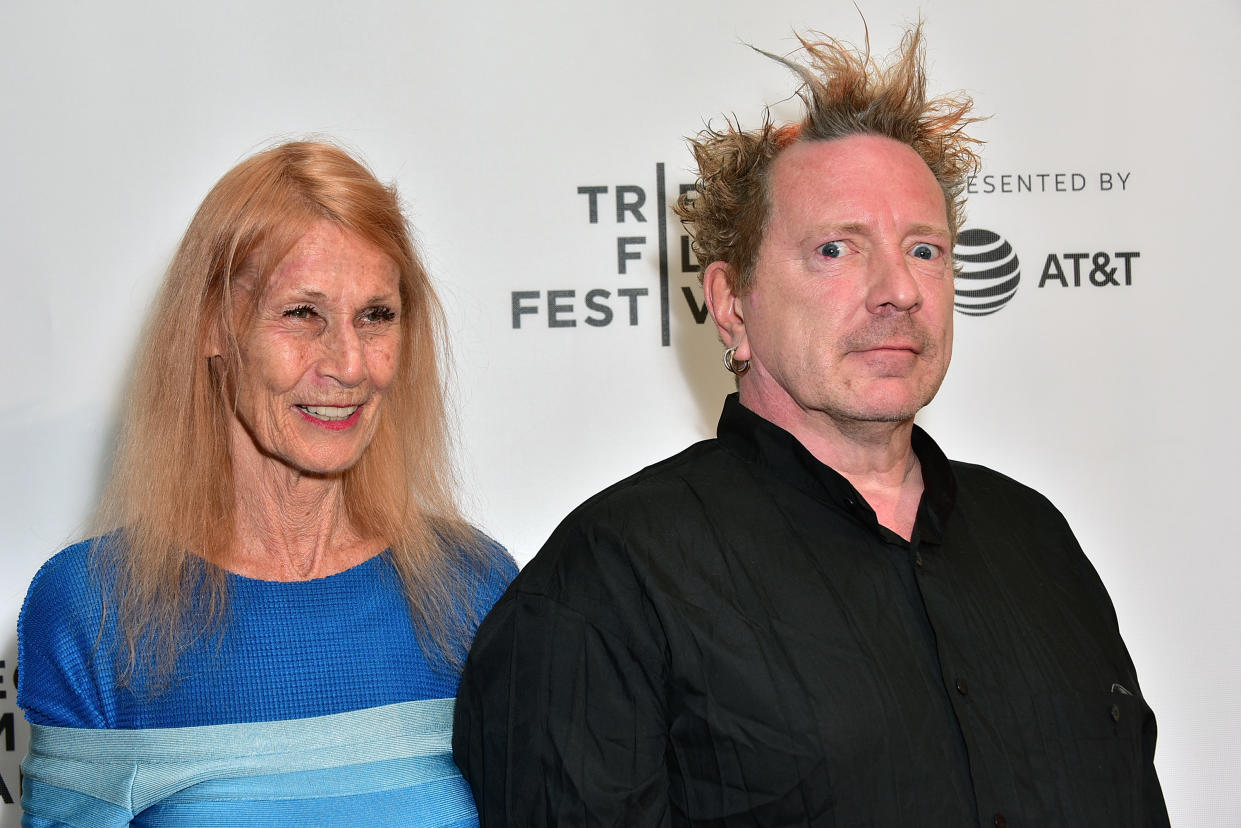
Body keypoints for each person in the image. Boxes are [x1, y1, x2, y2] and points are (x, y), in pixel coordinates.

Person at [453, 24, 1169, 827]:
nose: (897, 288)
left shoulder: (1033, 540)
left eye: (925, 250)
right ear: (731, 304)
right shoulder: (611, 579)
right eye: (835, 249)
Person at [17, 140, 515, 826]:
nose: (348, 364)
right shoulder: (93, 611)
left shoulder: (472, 586)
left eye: (375, 316)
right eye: (302, 314)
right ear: (211, 327)